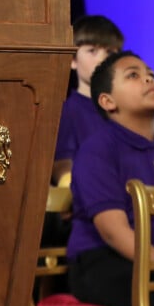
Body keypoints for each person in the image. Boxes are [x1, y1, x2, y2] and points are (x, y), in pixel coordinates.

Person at [67, 50, 154, 306]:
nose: (148, 80)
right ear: (107, 101)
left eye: (151, 75)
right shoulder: (97, 149)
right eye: (134, 75)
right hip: (104, 259)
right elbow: (113, 232)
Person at [52, 15, 124, 184]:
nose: (102, 59)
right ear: (72, 59)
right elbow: (62, 164)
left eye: (110, 52)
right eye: (92, 51)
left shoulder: (126, 111)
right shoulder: (68, 111)